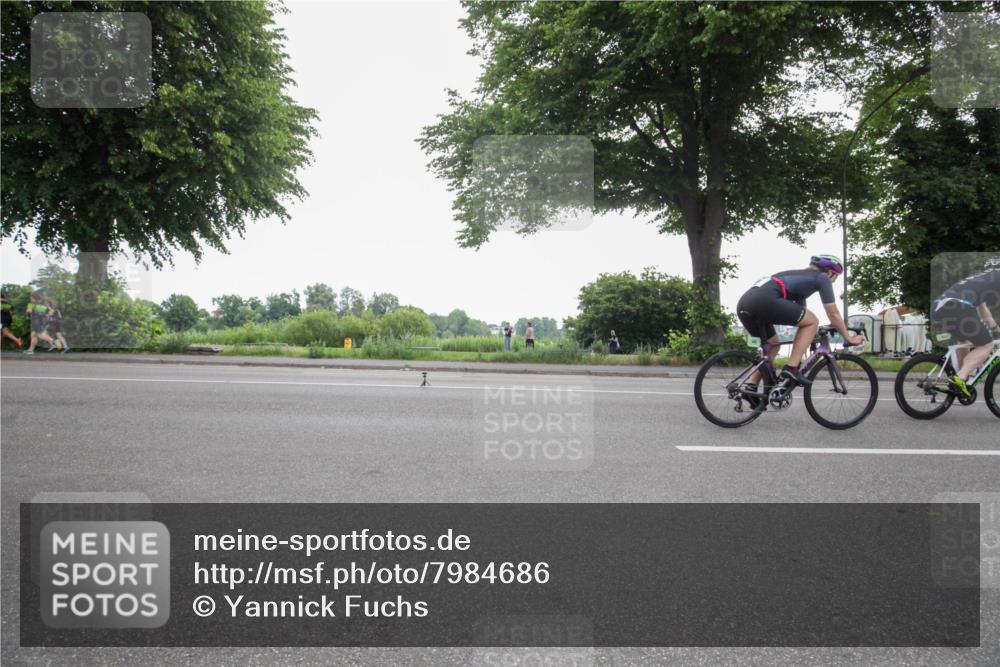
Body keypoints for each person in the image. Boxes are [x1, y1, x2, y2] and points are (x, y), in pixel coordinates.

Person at [736, 254, 863, 389]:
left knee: (773, 345)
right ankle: (791, 369)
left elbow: (801, 316)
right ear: (830, 272)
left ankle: (751, 385)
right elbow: (833, 313)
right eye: (836, 276)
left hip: (745, 303)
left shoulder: (798, 278)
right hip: (765, 300)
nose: (834, 280)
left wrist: (810, 334)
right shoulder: (822, 278)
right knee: (813, 321)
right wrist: (848, 338)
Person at [930, 258, 1000, 398]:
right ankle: (961, 377)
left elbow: (982, 310)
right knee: (987, 345)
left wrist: (996, 329)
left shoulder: (978, 279)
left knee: (963, 343)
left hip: (938, 307)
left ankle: (959, 381)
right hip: (959, 307)